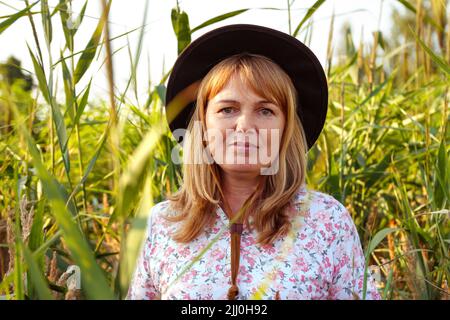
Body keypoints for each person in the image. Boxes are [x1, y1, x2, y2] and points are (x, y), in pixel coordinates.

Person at [126, 24, 381, 300]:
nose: (245, 125)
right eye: (227, 109)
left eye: (265, 110)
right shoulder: (163, 224)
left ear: (286, 128)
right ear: (203, 124)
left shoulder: (327, 221)